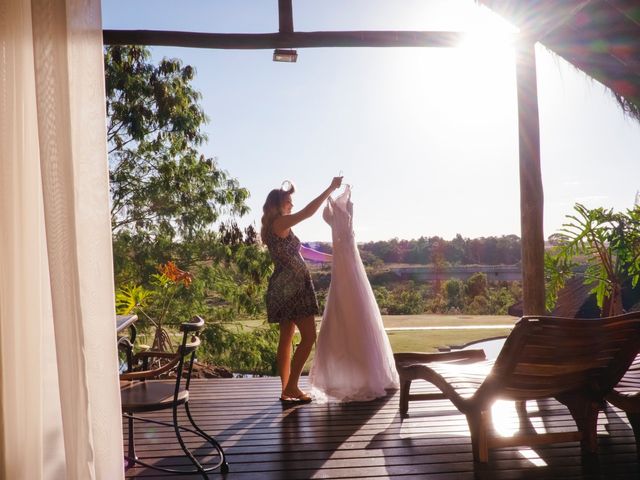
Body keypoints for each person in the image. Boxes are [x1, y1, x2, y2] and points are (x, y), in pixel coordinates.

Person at [309, 185, 399, 402]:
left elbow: (327, 217)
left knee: (356, 314)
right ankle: (343, 378)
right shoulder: (339, 209)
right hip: (341, 266)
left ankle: (365, 376)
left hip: (348, 266)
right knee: (342, 316)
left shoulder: (344, 208)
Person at [261, 176, 343, 403]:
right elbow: (308, 212)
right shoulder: (279, 223)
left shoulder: (276, 227)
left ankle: (286, 389)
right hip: (292, 289)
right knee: (308, 337)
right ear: (278, 204)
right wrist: (329, 188)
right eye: (288, 201)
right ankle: (292, 387)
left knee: (286, 339)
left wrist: (333, 256)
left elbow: (303, 251)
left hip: (285, 287)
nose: (292, 205)